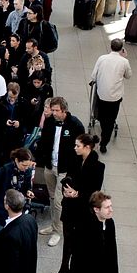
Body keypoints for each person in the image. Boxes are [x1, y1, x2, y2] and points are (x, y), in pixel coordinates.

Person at [35, 97, 86, 248]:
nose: (54, 113)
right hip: (50, 166)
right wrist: (41, 161)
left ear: (64, 110)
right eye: (53, 110)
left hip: (65, 170)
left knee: (58, 201)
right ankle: (54, 224)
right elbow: (44, 143)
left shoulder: (75, 125)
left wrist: (74, 172)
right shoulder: (50, 122)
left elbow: (81, 150)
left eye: (57, 110)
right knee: (51, 197)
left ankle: (58, 231)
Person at [58, 133, 105, 273]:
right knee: (67, 240)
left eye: (78, 146)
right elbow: (67, 178)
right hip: (69, 207)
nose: (75, 148)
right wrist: (66, 190)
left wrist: (77, 193)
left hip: (82, 211)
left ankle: (75, 272)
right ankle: (64, 269)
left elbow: (94, 191)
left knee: (78, 242)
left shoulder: (98, 167)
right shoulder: (75, 160)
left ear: (87, 147)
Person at [89, 39, 132, 153]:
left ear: (111, 47)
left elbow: (94, 75)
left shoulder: (102, 58)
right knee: (111, 118)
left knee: (103, 116)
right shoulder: (124, 62)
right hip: (115, 97)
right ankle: (104, 141)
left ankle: (103, 130)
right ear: (122, 48)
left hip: (102, 94)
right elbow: (128, 75)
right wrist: (125, 57)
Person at [0, 148, 36, 234]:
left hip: (19, 213)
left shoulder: (27, 172)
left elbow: (27, 187)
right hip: (2, 213)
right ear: (16, 160)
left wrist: (28, 191)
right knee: (0, 239)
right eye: (24, 165)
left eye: (28, 166)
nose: (26, 168)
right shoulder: (2, 172)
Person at [0, 84, 31, 168]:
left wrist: (20, 123)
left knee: (12, 158)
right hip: (1, 136)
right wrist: (4, 122)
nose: (12, 99)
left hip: (16, 137)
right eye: (10, 97)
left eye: (15, 97)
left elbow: (28, 119)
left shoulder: (24, 103)